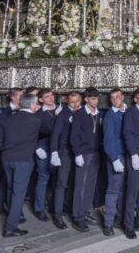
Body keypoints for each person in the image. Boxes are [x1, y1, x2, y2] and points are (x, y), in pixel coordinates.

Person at [0, 94, 42, 238]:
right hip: (23, 160)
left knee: (10, 189)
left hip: (6, 158)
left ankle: (14, 217)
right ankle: (10, 227)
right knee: (18, 193)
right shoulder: (36, 119)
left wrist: (6, 150)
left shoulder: (8, 118)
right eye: (36, 104)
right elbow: (50, 129)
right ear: (32, 105)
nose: (37, 106)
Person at [70, 87, 103, 231]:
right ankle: (77, 216)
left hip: (95, 154)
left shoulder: (99, 114)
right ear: (86, 99)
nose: (96, 101)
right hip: (83, 154)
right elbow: (74, 136)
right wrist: (77, 154)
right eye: (93, 98)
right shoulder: (80, 114)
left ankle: (85, 212)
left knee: (90, 185)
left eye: (97, 98)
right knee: (80, 187)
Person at [50, 91, 81, 229]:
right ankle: (57, 215)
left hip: (78, 153)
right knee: (61, 184)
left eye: (77, 101)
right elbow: (55, 136)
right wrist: (54, 153)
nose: (74, 104)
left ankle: (68, 207)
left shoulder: (81, 113)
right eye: (71, 102)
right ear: (67, 102)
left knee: (73, 183)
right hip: (64, 152)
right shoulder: (63, 115)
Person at [122, 87, 139, 239]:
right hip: (136, 155)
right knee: (132, 191)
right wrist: (133, 154)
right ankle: (129, 225)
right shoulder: (131, 113)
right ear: (135, 99)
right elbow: (128, 134)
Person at [102, 88, 127, 236]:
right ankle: (108, 223)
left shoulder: (128, 112)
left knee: (124, 190)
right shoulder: (110, 116)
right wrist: (114, 159)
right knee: (113, 190)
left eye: (117, 97)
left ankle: (120, 218)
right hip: (117, 155)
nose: (115, 100)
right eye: (112, 98)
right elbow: (108, 140)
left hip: (129, 156)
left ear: (123, 97)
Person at [33, 88, 56, 222]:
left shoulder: (61, 110)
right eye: (47, 96)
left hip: (58, 148)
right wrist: (36, 147)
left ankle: (54, 204)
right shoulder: (37, 113)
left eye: (51, 95)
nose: (50, 98)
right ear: (41, 100)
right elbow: (30, 132)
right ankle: (39, 208)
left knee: (57, 178)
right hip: (43, 146)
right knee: (43, 177)